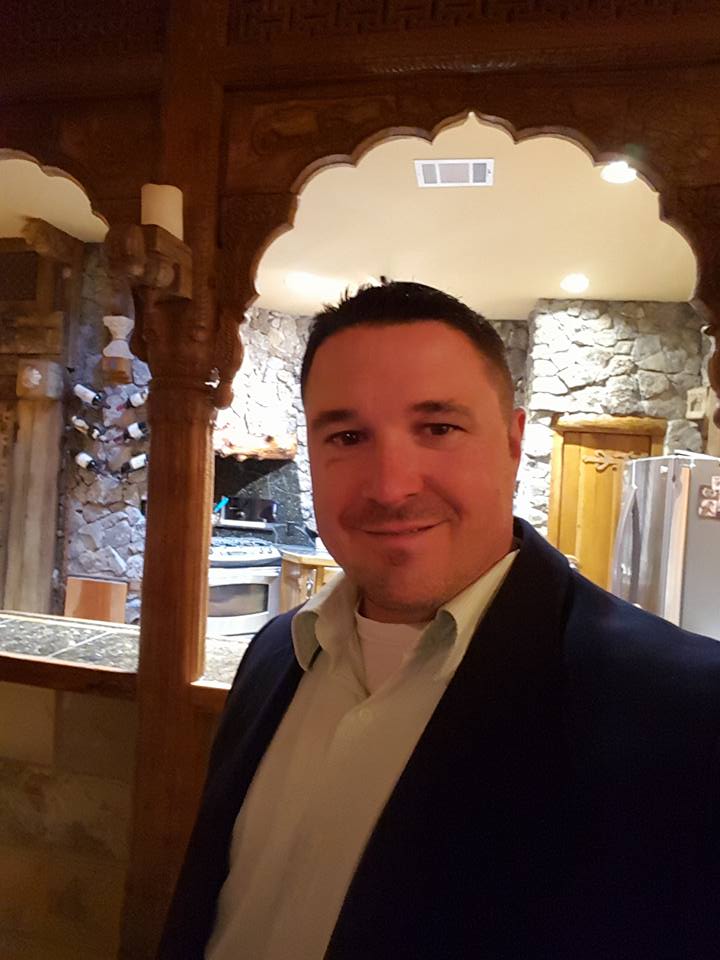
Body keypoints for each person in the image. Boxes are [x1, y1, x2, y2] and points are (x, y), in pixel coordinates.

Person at [160, 282, 720, 959]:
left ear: (512, 443)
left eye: (438, 428)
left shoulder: (684, 710)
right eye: (347, 436)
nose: (391, 485)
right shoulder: (275, 654)